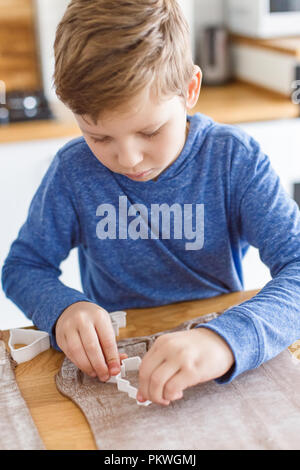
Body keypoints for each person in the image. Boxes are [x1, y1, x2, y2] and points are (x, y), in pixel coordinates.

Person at [2, 0, 300, 407]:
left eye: (151, 130)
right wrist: (63, 309)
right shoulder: (73, 171)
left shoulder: (234, 160)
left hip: (219, 361)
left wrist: (225, 341)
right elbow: (23, 267)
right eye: (99, 137)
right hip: (117, 360)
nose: (128, 159)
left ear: (190, 89)